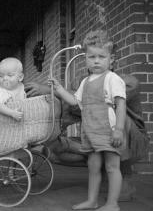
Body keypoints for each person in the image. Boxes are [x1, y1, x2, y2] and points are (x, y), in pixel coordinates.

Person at [49, 29, 126, 211]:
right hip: (90, 131)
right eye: (92, 57)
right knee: (93, 166)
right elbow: (76, 102)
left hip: (108, 130)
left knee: (112, 166)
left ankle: (113, 204)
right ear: (86, 59)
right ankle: (92, 200)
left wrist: (119, 130)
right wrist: (60, 89)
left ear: (111, 59)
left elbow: (120, 105)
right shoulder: (86, 81)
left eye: (101, 56)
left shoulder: (112, 79)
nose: (97, 61)